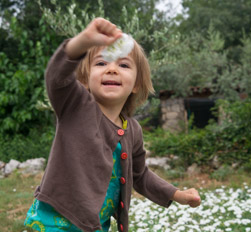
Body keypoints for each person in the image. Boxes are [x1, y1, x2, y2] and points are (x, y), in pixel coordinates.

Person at [24, 17, 201, 232]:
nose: (112, 69)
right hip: (55, 220)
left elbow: (140, 175)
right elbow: (56, 77)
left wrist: (177, 194)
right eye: (101, 63)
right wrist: (83, 41)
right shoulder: (76, 106)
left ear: (136, 84)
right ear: (85, 79)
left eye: (124, 64)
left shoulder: (132, 129)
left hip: (96, 224)